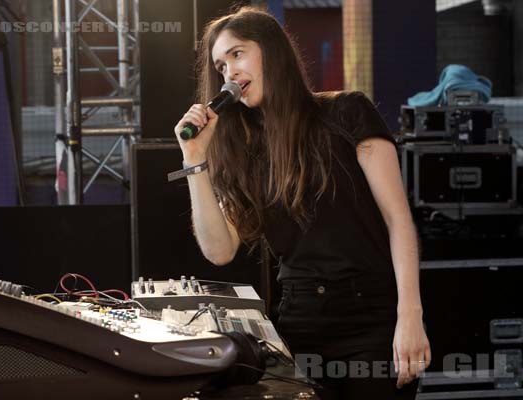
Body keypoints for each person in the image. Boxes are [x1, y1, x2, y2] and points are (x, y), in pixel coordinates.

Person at [173, 6, 431, 399]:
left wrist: (410, 315)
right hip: (300, 320)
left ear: (272, 52)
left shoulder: (347, 112)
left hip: (371, 317)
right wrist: (195, 161)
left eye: (238, 54)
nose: (229, 73)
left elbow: (399, 221)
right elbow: (220, 250)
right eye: (220, 66)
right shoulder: (241, 148)